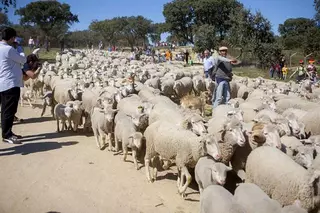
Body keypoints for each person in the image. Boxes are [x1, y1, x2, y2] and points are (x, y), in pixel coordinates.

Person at [0, 27, 27, 144]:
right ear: (12, 38)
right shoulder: (9, 50)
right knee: (9, 110)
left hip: (3, 82)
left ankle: (8, 132)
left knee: (6, 109)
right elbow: (23, 60)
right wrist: (20, 48)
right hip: (10, 84)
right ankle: (7, 134)